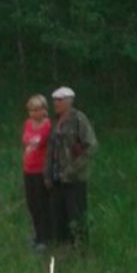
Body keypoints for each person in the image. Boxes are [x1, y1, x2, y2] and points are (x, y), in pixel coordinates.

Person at [44, 86, 98, 245]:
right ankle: (62, 245)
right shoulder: (55, 121)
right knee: (58, 213)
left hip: (74, 177)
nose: (56, 103)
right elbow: (50, 149)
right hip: (56, 176)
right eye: (54, 100)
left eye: (60, 100)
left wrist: (74, 168)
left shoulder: (78, 119)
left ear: (69, 101)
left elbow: (92, 145)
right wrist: (47, 173)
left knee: (77, 212)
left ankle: (80, 245)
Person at [22, 94, 52, 251]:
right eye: (30, 110)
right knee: (32, 203)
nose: (33, 113)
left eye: (36, 110)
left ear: (43, 110)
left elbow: (40, 142)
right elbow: (26, 141)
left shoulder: (47, 125)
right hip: (28, 168)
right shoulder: (28, 124)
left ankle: (44, 237)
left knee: (42, 203)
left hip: (41, 169)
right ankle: (37, 234)